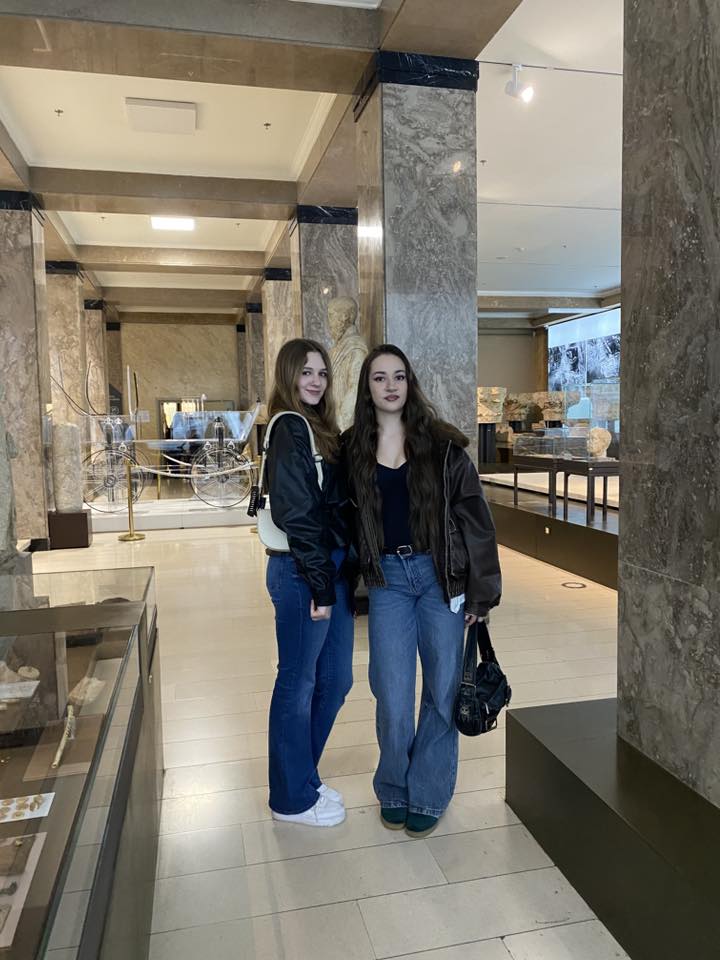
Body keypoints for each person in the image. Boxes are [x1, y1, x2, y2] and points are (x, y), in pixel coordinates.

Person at [346, 344, 501, 837]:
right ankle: (394, 786)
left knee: (442, 690)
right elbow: (342, 521)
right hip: (388, 582)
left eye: (399, 376)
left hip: (439, 580)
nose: (390, 385)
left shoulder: (443, 446)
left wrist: (480, 594)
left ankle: (429, 791)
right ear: (367, 388)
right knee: (391, 693)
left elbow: (477, 522)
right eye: (379, 378)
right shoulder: (352, 448)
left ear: (409, 383)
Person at [263, 338, 354, 827]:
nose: (316, 381)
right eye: (306, 372)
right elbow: (297, 513)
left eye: (321, 373)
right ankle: (290, 799)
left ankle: (303, 776)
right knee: (297, 682)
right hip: (303, 570)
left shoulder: (320, 427)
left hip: (326, 567)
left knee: (336, 679)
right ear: (288, 375)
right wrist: (321, 585)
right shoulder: (289, 426)